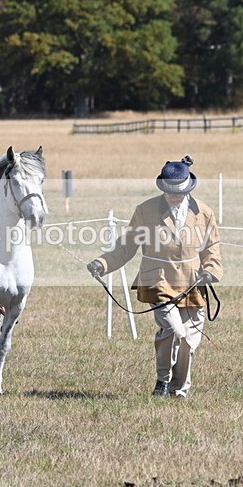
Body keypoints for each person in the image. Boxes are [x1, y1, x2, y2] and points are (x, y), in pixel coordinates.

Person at [86, 156, 222, 398]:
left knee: (189, 343)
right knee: (174, 331)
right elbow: (126, 247)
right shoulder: (146, 210)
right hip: (157, 280)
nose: (174, 197)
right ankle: (163, 380)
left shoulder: (204, 213)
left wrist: (211, 269)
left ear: (188, 189)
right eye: (169, 192)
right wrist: (102, 263)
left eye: (178, 192)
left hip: (192, 282)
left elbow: (212, 249)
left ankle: (178, 391)